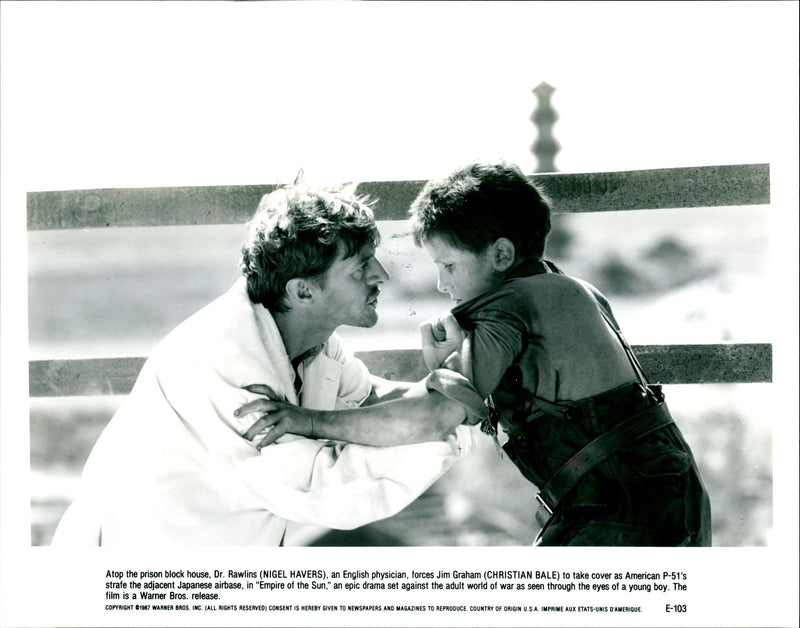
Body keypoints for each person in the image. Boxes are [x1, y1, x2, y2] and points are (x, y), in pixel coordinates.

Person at [242, 160, 712, 547]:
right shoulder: (571, 290)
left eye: (449, 265)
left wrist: (306, 420)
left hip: (620, 513)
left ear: (501, 255)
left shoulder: (506, 305)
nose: (443, 285)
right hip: (673, 497)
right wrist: (448, 370)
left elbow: (434, 418)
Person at [51, 180, 480, 546]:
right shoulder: (227, 357)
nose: (381, 277)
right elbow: (320, 486)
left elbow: (372, 401)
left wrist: (450, 384)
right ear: (304, 291)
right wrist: (448, 412)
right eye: (360, 267)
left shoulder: (310, 342)